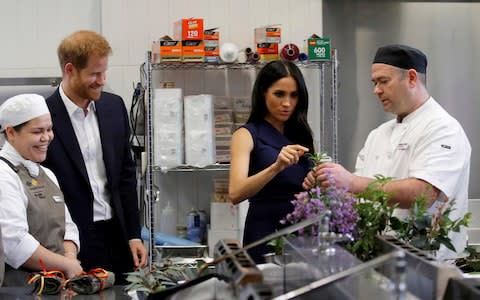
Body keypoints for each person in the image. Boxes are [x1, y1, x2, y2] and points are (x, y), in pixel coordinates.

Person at [304, 44, 471, 258]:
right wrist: (329, 185)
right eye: (374, 83)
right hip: (377, 259)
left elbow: (425, 193)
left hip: (426, 264)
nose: (376, 90)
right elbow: (359, 198)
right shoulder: (378, 134)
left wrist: (351, 182)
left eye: (383, 81)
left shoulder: (443, 128)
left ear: (411, 78)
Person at [41, 30, 147, 283]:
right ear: (70, 70)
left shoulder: (113, 107)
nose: (102, 80)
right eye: (94, 74)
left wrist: (134, 234)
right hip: (72, 243)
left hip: (117, 236)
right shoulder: (43, 117)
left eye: (104, 72)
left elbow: (126, 176)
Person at [229, 60, 315, 263]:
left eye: (294, 95)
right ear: (263, 93)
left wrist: (315, 179)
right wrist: (276, 167)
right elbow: (235, 192)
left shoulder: (301, 134)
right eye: (279, 94)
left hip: (301, 230)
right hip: (264, 231)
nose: (287, 103)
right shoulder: (246, 135)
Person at [0, 94, 83, 286]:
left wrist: (69, 257)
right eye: (38, 131)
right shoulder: (4, 174)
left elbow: (68, 227)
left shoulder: (46, 174)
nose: (46, 138)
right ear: (11, 132)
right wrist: (67, 265)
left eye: (49, 129)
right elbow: (15, 244)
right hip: (20, 288)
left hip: (55, 283)